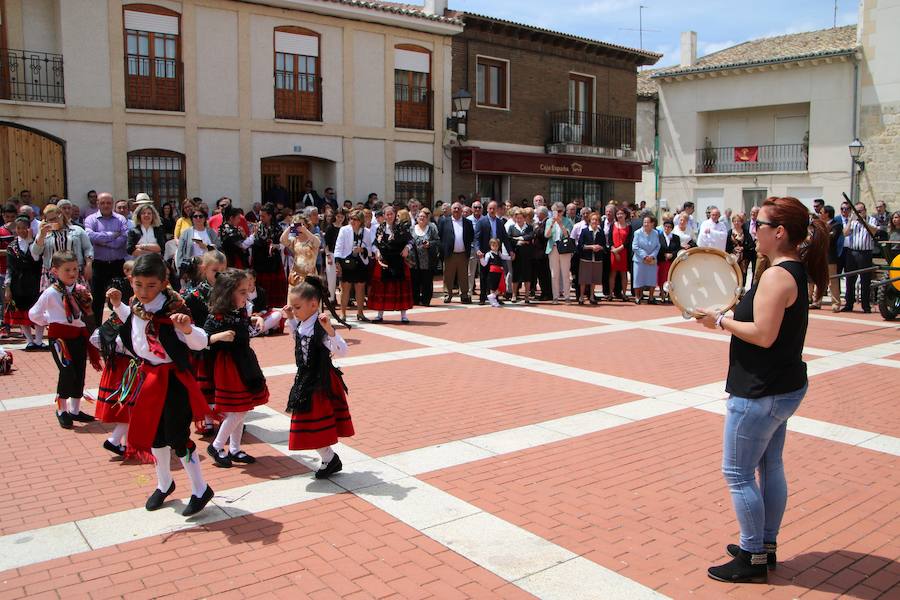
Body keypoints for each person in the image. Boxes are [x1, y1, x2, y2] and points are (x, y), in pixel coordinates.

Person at [695, 196, 828, 584]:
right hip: (782, 386)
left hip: (760, 390)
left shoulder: (776, 275)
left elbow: (764, 335)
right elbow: (762, 319)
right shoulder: (790, 270)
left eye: (760, 225)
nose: (754, 231)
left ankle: (753, 554)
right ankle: (764, 545)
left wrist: (720, 321)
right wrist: (726, 312)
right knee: (770, 465)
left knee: (737, 472)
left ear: (779, 232)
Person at [108, 253, 214, 516]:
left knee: (178, 437)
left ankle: (201, 488)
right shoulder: (135, 304)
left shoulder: (175, 310)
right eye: (138, 284)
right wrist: (119, 306)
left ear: (164, 282)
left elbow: (201, 341)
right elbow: (133, 326)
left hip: (173, 381)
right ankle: (164, 483)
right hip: (148, 377)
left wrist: (189, 329)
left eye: (151, 286)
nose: (144, 292)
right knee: (154, 435)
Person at [283, 276, 353, 479]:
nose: (294, 310)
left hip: (320, 381)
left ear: (313, 304)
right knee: (306, 423)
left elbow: (343, 351)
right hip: (306, 379)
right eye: (292, 307)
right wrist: (291, 319)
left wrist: (330, 330)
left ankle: (329, 459)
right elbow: (297, 338)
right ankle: (329, 458)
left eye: (297, 307)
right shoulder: (302, 322)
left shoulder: (319, 325)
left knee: (312, 423)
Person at [203, 269, 269, 468]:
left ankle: (234, 448)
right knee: (237, 410)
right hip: (229, 367)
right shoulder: (217, 316)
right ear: (228, 292)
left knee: (243, 408)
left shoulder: (238, 311)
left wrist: (252, 320)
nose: (246, 295)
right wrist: (218, 337)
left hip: (243, 362)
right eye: (241, 291)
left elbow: (241, 324)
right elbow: (203, 338)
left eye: (246, 290)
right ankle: (216, 445)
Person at [29, 251, 101, 429]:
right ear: (55, 271)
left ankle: (75, 410)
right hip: (59, 338)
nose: (72, 273)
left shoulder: (79, 290)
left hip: (78, 335)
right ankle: (61, 409)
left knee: (80, 370)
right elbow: (33, 313)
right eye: (67, 269)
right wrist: (48, 321)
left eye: (75, 269)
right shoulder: (50, 293)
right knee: (67, 371)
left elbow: (86, 313)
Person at [91, 286, 137, 458]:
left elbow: (95, 338)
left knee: (126, 406)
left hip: (118, 366)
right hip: (129, 369)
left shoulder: (114, 319)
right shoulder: (129, 319)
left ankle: (126, 443)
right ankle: (114, 440)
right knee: (131, 406)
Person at [85, 193, 130, 320]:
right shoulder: (90, 219)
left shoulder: (121, 219)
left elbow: (123, 238)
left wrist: (102, 241)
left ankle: (121, 326)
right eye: (103, 203)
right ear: (98, 203)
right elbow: (90, 236)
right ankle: (97, 328)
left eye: (108, 203)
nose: (106, 205)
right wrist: (112, 236)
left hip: (117, 264)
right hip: (99, 265)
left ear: (112, 204)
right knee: (97, 299)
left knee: (121, 296)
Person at [5, 216, 45, 350]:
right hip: (19, 284)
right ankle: (29, 340)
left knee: (38, 310)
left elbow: (36, 259)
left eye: (24, 228)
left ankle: (39, 340)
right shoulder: (11, 246)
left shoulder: (36, 243)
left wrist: (29, 241)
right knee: (21, 311)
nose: (21, 230)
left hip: (35, 281)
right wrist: (8, 286)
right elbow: (10, 268)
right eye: (19, 228)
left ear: (29, 228)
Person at [33, 204, 94, 291]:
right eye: (50, 220)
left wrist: (88, 265)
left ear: (61, 215)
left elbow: (88, 248)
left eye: (55, 218)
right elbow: (36, 252)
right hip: (53, 275)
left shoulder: (77, 230)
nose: (53, 222)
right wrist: (42, 235)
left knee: (77, 301)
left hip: (74, 273)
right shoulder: (44, 233)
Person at [369, 206, 413, 323]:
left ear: (395, 215)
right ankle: (379, 315)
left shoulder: (401, 227)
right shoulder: (380, 228)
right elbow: (374, 244)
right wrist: (376, 251)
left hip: (398, 261)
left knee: (400, 287)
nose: (389, 216)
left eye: (391, 214)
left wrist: (407, 248)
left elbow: (410, 240)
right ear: (383, 216)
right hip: (384, 261)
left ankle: (404, 316)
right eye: (387, 214)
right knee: (381, 288)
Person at [334, 209, 371, 322]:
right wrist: (337, 262)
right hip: (347, 261)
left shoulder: (367, 232)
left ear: (360, 221)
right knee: (345, 289)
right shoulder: (344, 230)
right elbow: (338, 246)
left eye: (355, 219)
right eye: (350, 218)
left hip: (361, 262)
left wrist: (362, 249)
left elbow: (370, 249)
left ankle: (360, 313)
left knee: (360, 289)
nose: (352, 221)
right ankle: (343, 314)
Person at [475, 201, 513, 305]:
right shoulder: (481, 221)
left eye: (494, 209)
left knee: (497, 276)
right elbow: (477, 238)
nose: (492, 211)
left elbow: (505, 238)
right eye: (490, 208)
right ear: (487, 209)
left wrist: (510, 251)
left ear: (497, 210)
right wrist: (477, 249)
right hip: (485, 253)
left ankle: (495, 297)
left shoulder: (500, 222)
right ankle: (483, 297)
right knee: (484, 275)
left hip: (497, 254)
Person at [841, 202, 877, 313]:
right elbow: (845, 233)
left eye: (860, 211)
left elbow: (874, 231)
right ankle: (849, 304)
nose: (858, 213)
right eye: (856, 211)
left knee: (865, 280)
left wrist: (864, 221)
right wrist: (851, 220)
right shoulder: (853, 221)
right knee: (850, 279)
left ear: (865, 210)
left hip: (865, 253)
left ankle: (866, 306)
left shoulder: (871, 220)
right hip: (852, 252)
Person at [252, 203, 287, 309]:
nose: (261, 218)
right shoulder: (258, 228)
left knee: (273, 286)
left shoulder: (278, 228)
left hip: (273, 262)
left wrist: (276, 246)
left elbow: (283, 244)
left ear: (270, 216)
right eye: (260, 216)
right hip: (260, 261)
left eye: (263, 216)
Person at [438, 202, 474, 304]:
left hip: (463, 254)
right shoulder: (444, 222)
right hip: (450, 254)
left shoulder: (468, 222)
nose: (456, 210)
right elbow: (440, 237)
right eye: (454, 208)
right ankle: (447, 294)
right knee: (448, 276)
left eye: (458, 208)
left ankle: (464, 295)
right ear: (451, 210)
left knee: (463, 276)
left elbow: (471, 236)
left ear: (462, 210)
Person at [175, 208, 221, 275]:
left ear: (205, 218)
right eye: (195, 216)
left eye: (201, 216)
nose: (198, 218)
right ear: (192, 219)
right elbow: (180, 251)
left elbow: (219, 248)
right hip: (192, 267)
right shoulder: (186, 233)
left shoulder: (211, 232)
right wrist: (180, 269)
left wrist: (206, 247)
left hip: (209, 266)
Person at [409, 208, 439, 306]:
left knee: (427, 282)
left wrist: (429, 244)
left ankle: (426, 300)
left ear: (427, 219)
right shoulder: (411, 229)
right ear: (417, 218)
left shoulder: (431, 229)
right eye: (420, 216)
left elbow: (437, 241)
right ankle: (415, 300)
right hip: (413, 261)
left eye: (424, 217)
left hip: (427, 261)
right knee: (415, 281)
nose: (422, 218)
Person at [543, 203, 571, 304]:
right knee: (554, 274)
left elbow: (567, 234)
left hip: (564, 249)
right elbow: (546, 235)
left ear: (563, 211)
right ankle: (555, 297)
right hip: (553, 248)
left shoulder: (567, 221)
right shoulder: (549, 221)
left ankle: (567, 296)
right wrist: (552, 224)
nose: (558, 213)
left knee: (565, 274)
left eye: (560, 211)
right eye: (555, 211)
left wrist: (560, 224)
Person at [282, 215, 320, 286]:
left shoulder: (314, 237)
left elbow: (317, 243)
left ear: (307, 225)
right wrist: (290, 227)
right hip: (296, 276)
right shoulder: (294, 240)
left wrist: (305, 230)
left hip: (310, 276)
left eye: (302, 225)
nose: (299, 228)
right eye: (297, 225)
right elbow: (282, 240)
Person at [577, 212, 606, 304]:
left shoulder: (601, 232)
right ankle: (581, 297)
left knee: (594, 279)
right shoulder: (584, 231)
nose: (594, 221)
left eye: (596, 220)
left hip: (597, 259)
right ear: (590, 220)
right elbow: (580, 246)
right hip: (586, 258)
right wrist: (591, 247)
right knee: (584, 279)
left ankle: (592, 296)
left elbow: (604, 246)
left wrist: (600, 247)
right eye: (593, 219)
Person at [632, 215, 661, 304]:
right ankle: (637, 297)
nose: (646, 224)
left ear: (652, 224)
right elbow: (635, 246)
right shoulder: (637, 233)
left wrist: (652, 256)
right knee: (638, 278)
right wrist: (644, 256)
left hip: (652, 260)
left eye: (648, 222)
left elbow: (658, 246)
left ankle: (651, 297)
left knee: (652, 279)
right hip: (639, 260)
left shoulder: (655, 233)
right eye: (644, 222)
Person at [507, 208, 534, 303]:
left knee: (527, 275)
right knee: (516, 275)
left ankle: (527, 296)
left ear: (524, 218)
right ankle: (514, 295)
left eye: (520, 218)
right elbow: (509, 239)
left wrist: (519, 238)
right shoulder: (511, 227)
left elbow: (530, 236)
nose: (519, 220)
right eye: (517, 218)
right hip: (516, 254)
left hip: (527, 255)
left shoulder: (529, 227)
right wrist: (520, 241)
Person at [608, 208, 632, 301]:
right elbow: (610, 239)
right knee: (612, 273)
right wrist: (614, 250)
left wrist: (618, 250)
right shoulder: (612, 225)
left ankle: (624, 294)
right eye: (618, 214)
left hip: (623, 252)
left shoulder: (629, 227)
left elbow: (628, 241)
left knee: (623, 274)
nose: (619, 215)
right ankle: (610, 294)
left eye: (621, 213)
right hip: (613, 252)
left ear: (625, 215)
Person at [823, 206, 844, 312]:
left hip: (830, 257)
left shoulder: (837, 225)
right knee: (819, 279)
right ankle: (816, 301)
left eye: (822, 212)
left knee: (833, 280)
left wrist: (823, 233)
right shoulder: (820, 224)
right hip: (820, 255)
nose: (820, 214)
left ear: (827, 214)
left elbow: (832, 238)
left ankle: (836, 303)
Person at [657, 220, 680, 303]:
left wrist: (672, 254)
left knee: (670, 278)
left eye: (669, 227)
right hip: (662, 260)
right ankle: (662, 294)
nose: (667, 228)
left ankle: (670, 295)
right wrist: (664, 254)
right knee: (661, 278)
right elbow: (657, 247)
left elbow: (678, 249)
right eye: (666, 226)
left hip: (671, 262)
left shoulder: (676, 238)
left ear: (672, 228)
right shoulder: (658, 236)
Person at [479, 238, 506, 307]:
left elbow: (504, 257)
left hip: (500, 272)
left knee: (500, 287)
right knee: (493, 287)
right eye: (493, 245)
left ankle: (492, 297)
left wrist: (511, 257)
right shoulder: (489, 254)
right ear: (490, 246)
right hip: (492, 272)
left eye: (496, 245)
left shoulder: (499, 253)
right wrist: (481, 257)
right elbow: (484, 264)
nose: (495, 247)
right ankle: (493, 302)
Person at [726, 214, 750, 284]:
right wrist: (733, 249)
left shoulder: (746, 232)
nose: (736, 222)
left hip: (743, 258)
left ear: (742, 222)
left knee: (742, 275)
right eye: (735, 221)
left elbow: (751, 244)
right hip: (733, 257)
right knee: (733, 273)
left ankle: (741, 291)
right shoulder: (729, 232)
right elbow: (727, 245)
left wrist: (743, 248)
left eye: (738, 221)